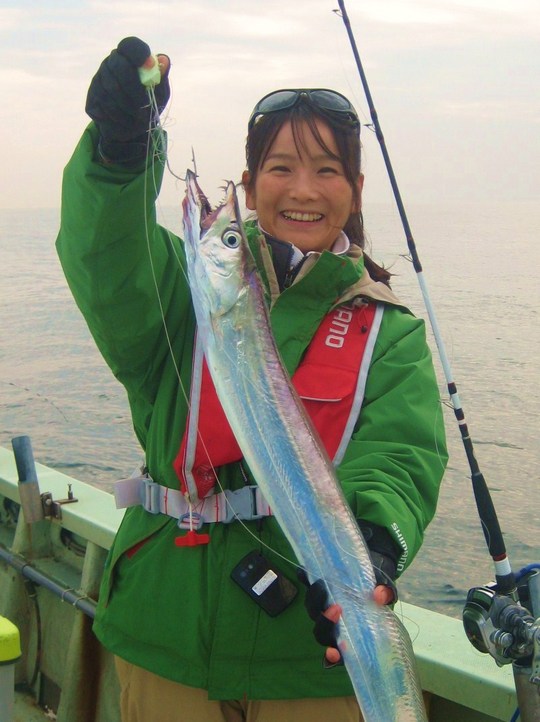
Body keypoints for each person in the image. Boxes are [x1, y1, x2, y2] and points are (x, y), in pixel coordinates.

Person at [56, 37, 447, 722]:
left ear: (355, 190)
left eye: (327, 170)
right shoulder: (186, 293)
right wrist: (120, 154)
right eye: (280, 167)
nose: (303, 189)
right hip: (167, 632)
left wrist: (377, 542)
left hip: (309, 655)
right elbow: (107, 257)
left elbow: (401, 456)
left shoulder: (389, 333)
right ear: (251, 179)